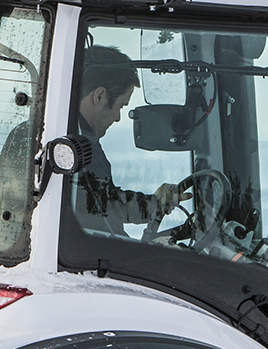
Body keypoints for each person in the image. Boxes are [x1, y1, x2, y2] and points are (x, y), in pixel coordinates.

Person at [74, 45, 185, 236]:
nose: (117, 118)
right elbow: (102, 207)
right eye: (120, 106)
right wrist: (154, 204)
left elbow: (103, 202)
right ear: (100, 96)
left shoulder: (75, 137)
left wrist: (155, 203)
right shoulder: (71, 148)